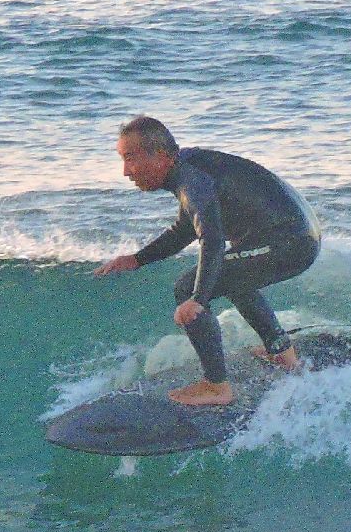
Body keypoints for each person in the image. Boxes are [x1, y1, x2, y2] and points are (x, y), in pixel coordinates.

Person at [95, 116, 321, 406]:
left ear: (161, 157)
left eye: (131, 159)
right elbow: (186, 229)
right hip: (295, 236)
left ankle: (217, 387)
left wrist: (198, 299)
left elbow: (211, 239)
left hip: (289, 242)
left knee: (190, 286)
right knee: (234, 276)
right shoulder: (187, 170)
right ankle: (281, 352)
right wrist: (137, 259)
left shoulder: (191, 180)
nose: (126, 171)